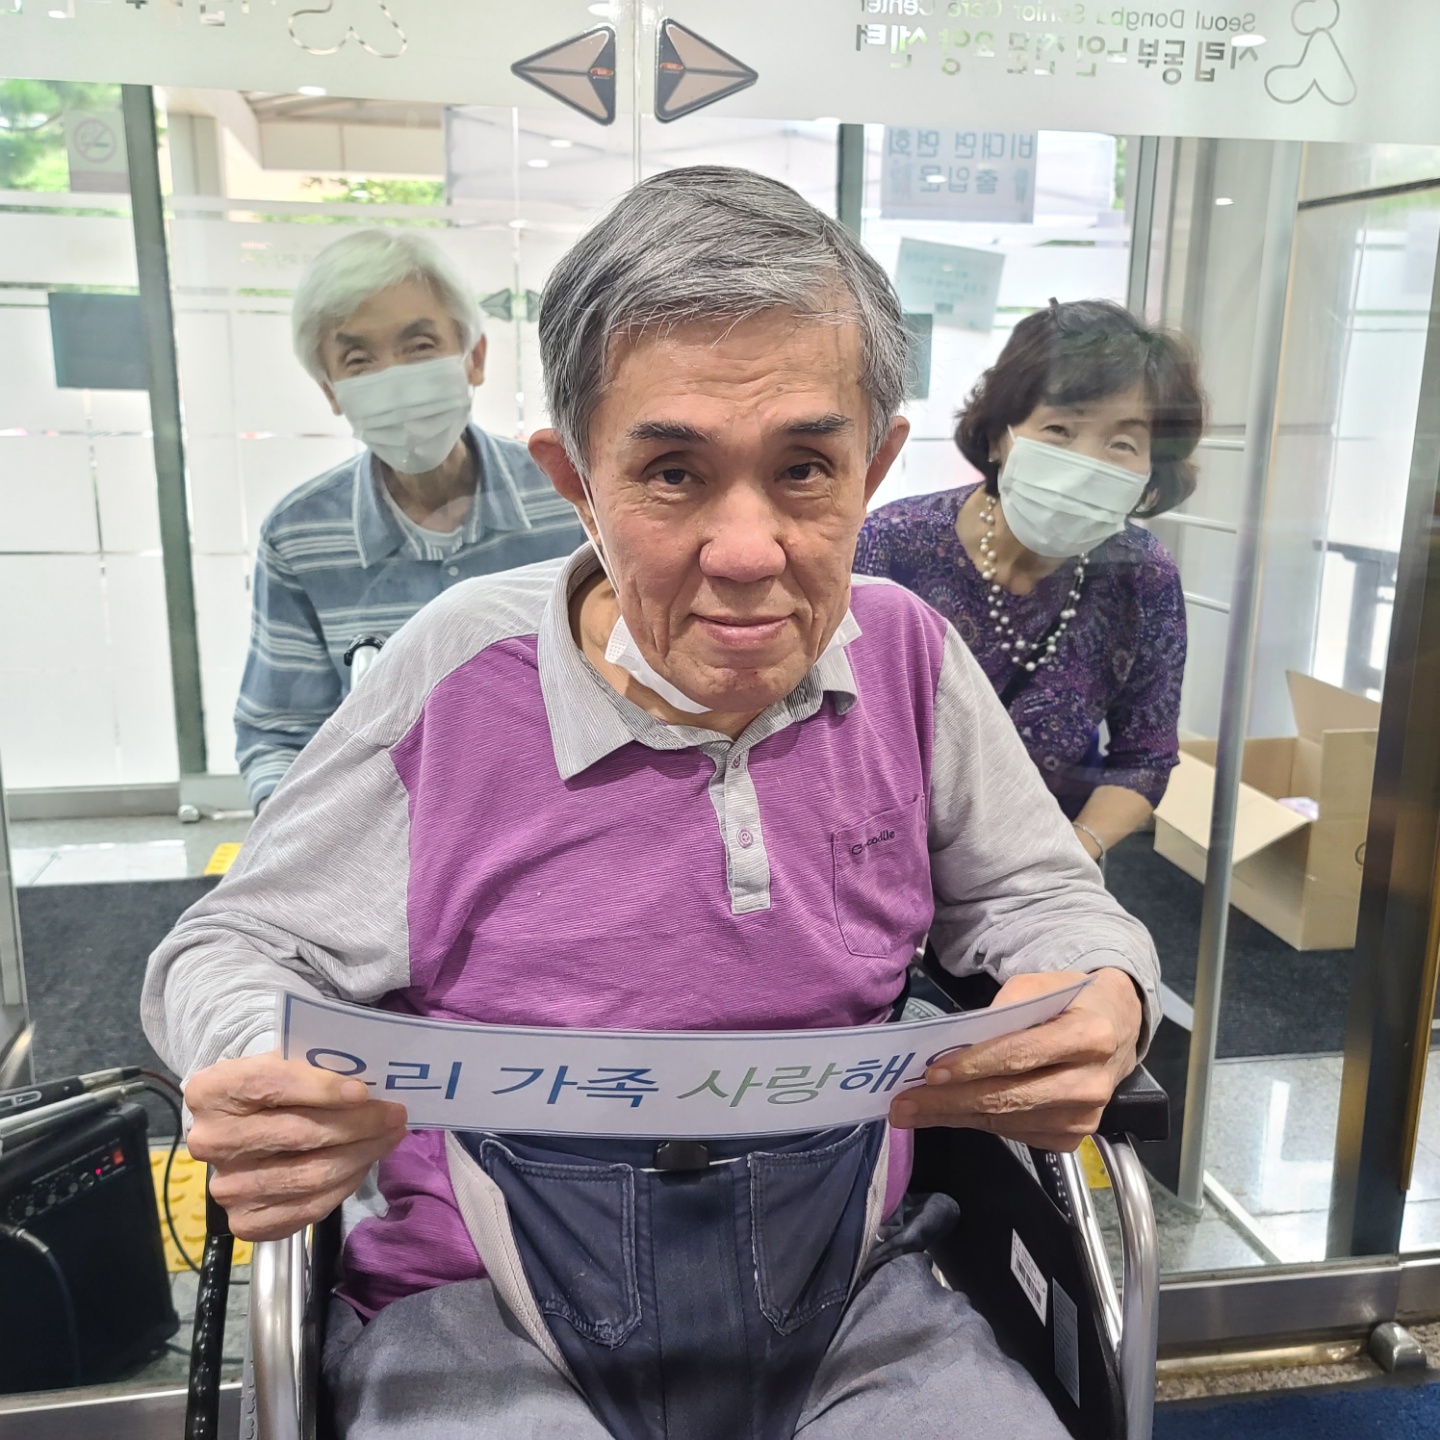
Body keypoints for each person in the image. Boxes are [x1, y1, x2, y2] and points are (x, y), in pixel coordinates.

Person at [144, 168, 1161, 1440]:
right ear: (575, 480)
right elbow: (228, 945)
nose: (746, 551)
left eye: (806, 468)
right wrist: (261, 1059)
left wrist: (1100, 993)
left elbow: (1046, 896)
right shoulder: (458, 672)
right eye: (673, 474)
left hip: (849, 1287)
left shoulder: (905, 654)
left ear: (876, 467)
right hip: (488, 1302)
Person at [234, 228, 584, 808]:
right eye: (358, 360)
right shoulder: (300, 537)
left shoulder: (568, 495)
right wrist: (302, 840)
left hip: (559, 820)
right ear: (331, 391)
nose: (393, 378)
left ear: (474, 358)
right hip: (382, 836)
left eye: (419, 346)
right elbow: (281, 733)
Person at [855, 300, 1205, 868]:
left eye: (1122, 444)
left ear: (1150, 473)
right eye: (1060, 429)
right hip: (885, 862)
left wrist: (1065, 859)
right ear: (1000, 437)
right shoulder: (890, 546)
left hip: (1048, 862)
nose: (1085, 465)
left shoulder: (1142, 578)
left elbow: (1144, 758)